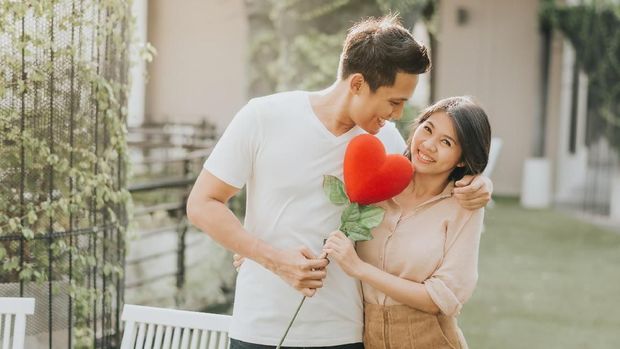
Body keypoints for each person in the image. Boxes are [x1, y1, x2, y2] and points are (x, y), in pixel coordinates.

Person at [186, 15, 492, 349]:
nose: (399, 115)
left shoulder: (388, 144)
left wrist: (479, 184)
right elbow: (202, 204)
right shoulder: (262, 117)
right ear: (358, 83)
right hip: (259, 326)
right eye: (394, 101)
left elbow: (433, 184)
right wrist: (269, 257)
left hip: (344, 333)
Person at [323, 96, 491, 349]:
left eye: (446, 142)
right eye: (428, 129)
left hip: (431, 338)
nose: (428, 145)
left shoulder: (464, 207)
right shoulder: (379, 187)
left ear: (462, 159)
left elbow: (442, 299)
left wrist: (358, 268)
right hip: (368, 337)